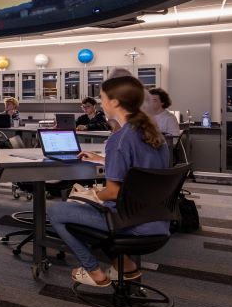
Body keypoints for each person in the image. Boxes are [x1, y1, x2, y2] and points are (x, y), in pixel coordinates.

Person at [47, 75, 171, 287]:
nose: (101, 103)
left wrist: (86, 195)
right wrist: (104, 160)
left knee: (56, 211)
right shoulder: (153, 135)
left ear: (114, 103)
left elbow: (113, 193)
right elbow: (140, 171)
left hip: (129, 223)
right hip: (157, 221)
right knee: (96, 210)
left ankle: (93, 271)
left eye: (102, 98)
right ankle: (125, 265)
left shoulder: (119, 139)